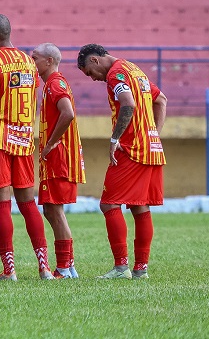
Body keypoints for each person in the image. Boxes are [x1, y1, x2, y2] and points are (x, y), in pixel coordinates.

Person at [0, 14, 51, 281]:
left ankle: (10, 270)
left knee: (2, 206)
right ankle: (44, 267)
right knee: (28, 204)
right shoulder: (29, 62)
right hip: (23, 137)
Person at [77, 43, 167, 280]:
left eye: (89, 72)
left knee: (109, 204)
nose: (93, 78)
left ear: (95, 60)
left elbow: (128, 103)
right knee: (139, 205)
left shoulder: (115, 74)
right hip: (151, 147)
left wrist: (115, 139)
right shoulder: (134, 69)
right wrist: (153, 133)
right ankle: (141, 269)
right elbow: (162, 100)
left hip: (131, 148)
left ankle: (121, 267)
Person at [31, 43, 85, 279]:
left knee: (53, 210)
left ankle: (64, 265)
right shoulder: (53, 83)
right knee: (52, 209)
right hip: (59, 155)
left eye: (35, 58)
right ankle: (68, 265)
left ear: (49, 61)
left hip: (59, 156)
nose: (32, 62)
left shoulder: (54, 84)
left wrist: (52, 142)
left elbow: (68, 113)